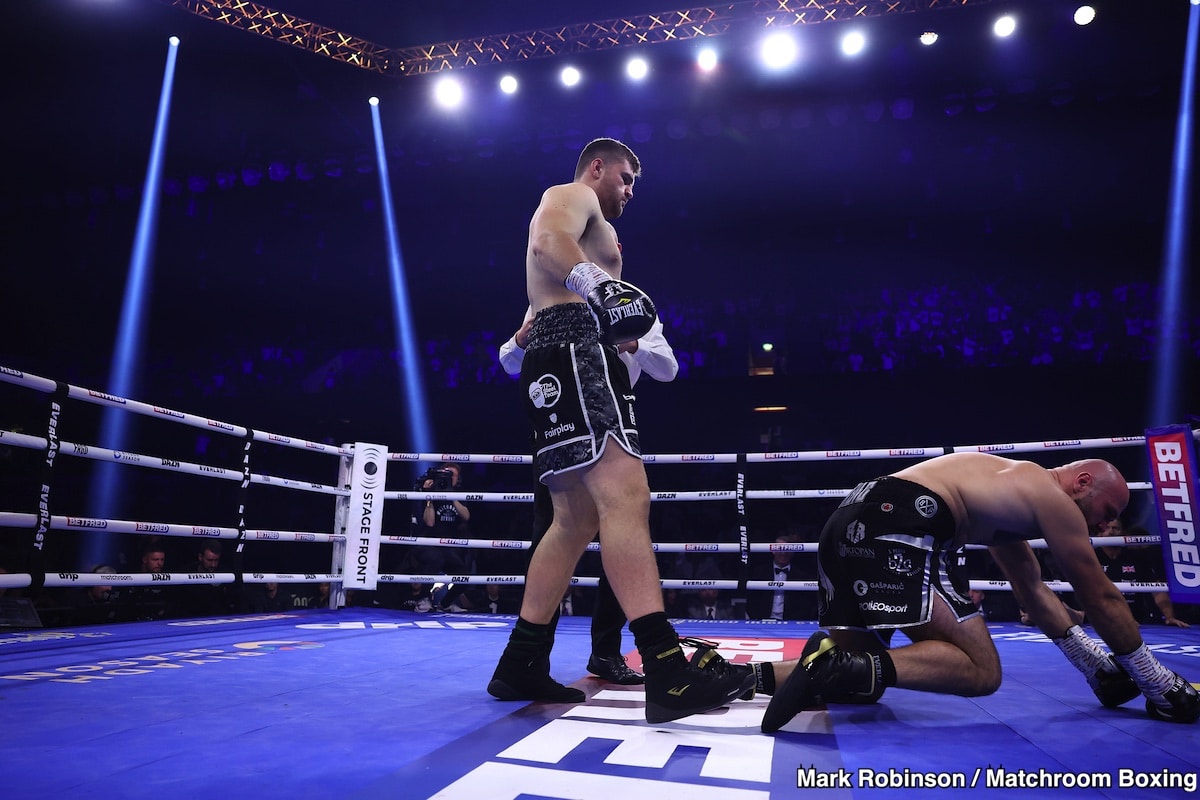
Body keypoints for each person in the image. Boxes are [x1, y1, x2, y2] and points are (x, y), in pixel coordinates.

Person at [486, 137, 753, 723]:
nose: (630, 190)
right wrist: (599, 285)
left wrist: (585, 293)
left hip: (561, 356)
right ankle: (666, 668)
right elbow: (545, 241)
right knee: (627, 499)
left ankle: (520, 662)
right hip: (579, 352)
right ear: (599, 167)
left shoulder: (592, 228)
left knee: (574, 520)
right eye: (627, 177)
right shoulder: (572, 194)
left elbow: (543, 295)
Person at [753, 453, 1198, 732]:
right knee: (982, 670)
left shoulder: (1009, 495)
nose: (1105, 525)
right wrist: (1156, 682)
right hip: (902, 518)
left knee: (856, 685)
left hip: (850, 517)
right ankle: (830, 662)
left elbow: (1033, 591)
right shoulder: (1050, 496)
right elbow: (1099, 597)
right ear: (1082, 483)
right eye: (1108, 511)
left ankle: (732, 678)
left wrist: (1097, 668)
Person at [498, 297, 679, 686]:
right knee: (553, 529)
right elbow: (509, 362)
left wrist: (632, 343)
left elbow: (668, 369)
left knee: (620, 533)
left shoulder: (633, 307)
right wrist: (520, 338)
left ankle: (606, 652)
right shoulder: (550, 299)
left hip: (613, 416)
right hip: (560, 416)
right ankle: (531, 659)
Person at [1096, 519, 1190, 628]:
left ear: (1123, 532)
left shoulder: (1136, 556)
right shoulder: (1091, 556)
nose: (1111, 532)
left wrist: (1169, 617)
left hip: (1137, 620)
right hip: (1098, 620)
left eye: (1115, 528)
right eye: (1106, 528)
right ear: (1099, 534)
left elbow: (1156, 589)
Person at [747, 535, 817, 621]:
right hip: (763, 620)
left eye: (787, 550)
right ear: (773, 551)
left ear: (792, 552)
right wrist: (757, 619)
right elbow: (751, 600)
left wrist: (793, 622)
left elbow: (805, 604)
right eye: (780, 549)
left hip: (791, 622)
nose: (783, 553)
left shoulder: (801, 575)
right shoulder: (759, 572)